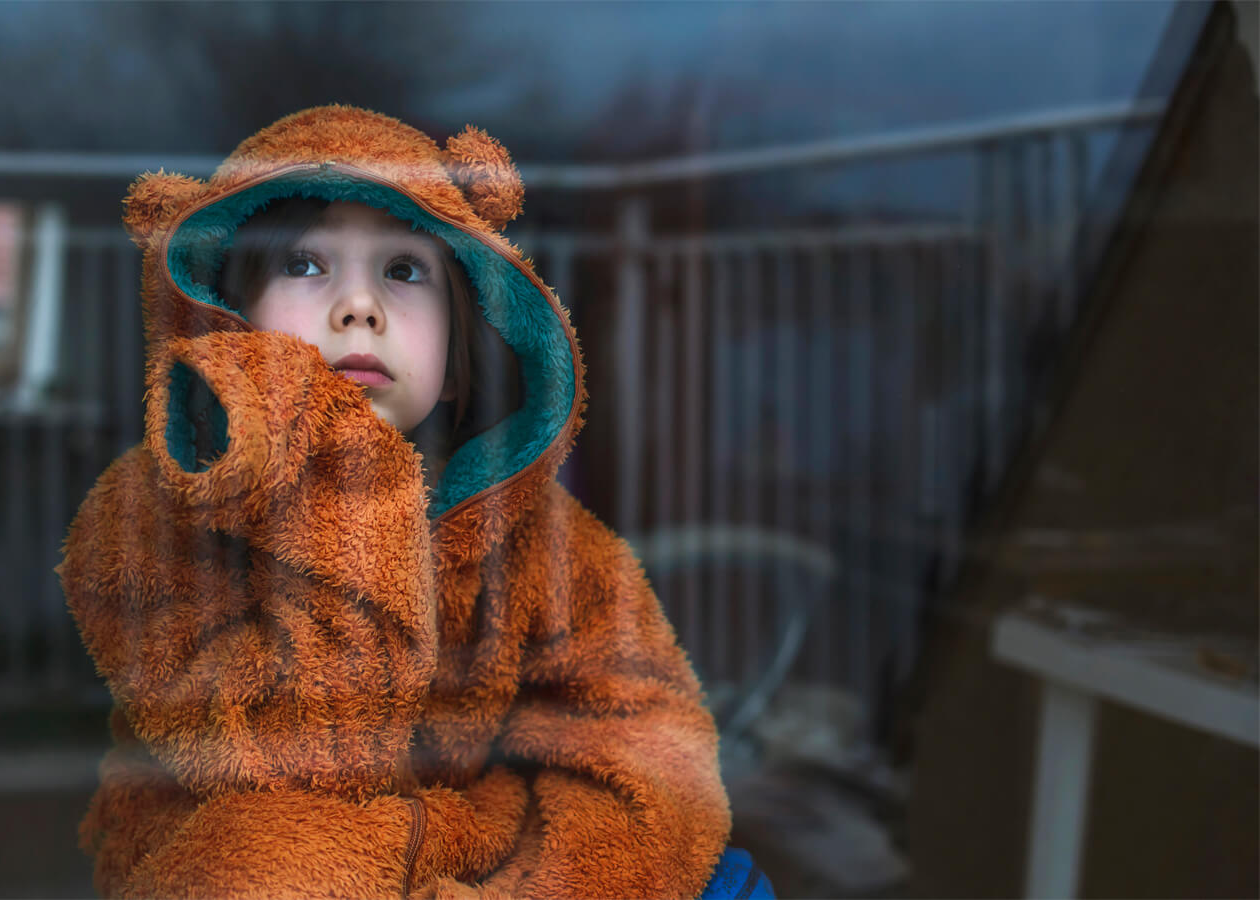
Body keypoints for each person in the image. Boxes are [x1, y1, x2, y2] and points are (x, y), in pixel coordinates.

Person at [58, 105, 772, 899]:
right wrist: (340, 477)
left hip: (475, 860)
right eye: (302, 264)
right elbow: (304, 755)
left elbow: (646, 752)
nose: (358, 308)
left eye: (403, 271)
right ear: (223, 316)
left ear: (457, 364)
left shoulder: (538, 535)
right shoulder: (152, 518)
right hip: (251, 859)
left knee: (727, 883)